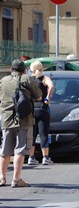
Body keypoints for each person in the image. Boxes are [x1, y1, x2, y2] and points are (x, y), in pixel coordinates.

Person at [0, 58, 42, 187]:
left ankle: (2, 178)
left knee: (5, 150)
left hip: (6, 119)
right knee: (20, 149)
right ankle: (16, 180)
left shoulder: (3, 81)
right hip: (24, 118)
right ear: (24, 70)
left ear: (11, 69)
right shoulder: (26, 79)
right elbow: (39, 95)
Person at [28, 60, 54, 166]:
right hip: (42, 108)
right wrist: (47, 98)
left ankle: (31, 157)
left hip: (32, 109)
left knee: (32, 134)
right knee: (43, 134)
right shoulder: (44, 78)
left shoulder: (30, 79)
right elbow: (51, 86)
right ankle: (45, 158)